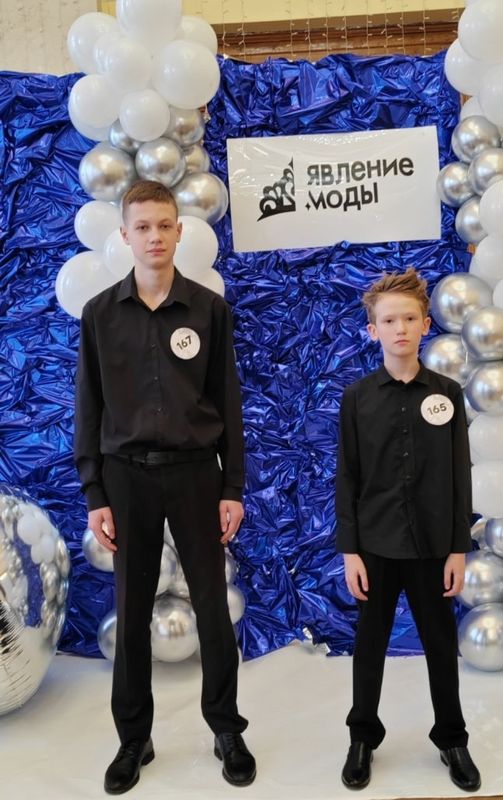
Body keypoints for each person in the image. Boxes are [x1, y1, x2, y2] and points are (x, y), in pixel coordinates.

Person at [74, 180, 255, 795]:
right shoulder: (100, 314)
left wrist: (232, 487)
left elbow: (228, 401)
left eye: (164, 225)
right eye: (142, 226)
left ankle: (226, 728)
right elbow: (89, 407)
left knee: (212, 607)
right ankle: (134, 738)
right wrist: (95, 493)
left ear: (180, 231)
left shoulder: (209, 310)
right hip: (125, 478)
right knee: (131, 612)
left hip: (196, 474)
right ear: (125, 235)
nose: (154, 236)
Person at [335, 267, 481, 793]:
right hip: (375, 545)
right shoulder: (357, 398)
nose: (400, 328)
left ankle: (452, 738)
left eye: (410, 318)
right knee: (369, 646)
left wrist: (458, 548)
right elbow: (347, 476)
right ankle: (362, 738)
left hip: (432, 547)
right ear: (372, 330)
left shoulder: (447, 394)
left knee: (440, 646)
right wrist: (350, 551)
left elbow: (460, 474)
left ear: (425, 324)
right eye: (389, 320)